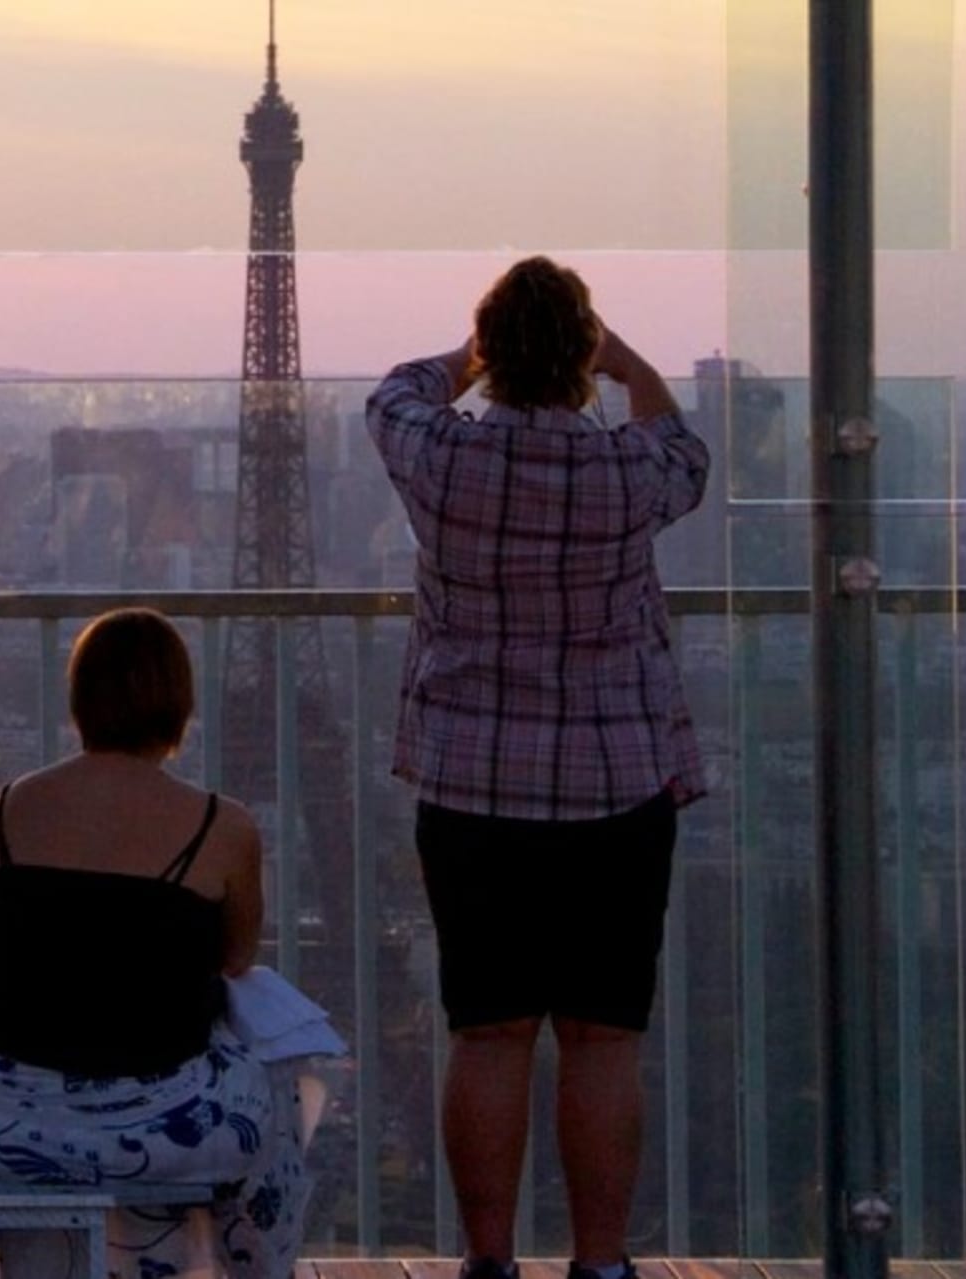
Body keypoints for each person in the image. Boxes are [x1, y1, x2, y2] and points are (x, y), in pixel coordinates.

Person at [365, 255, 710, 1279]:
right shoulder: (627, 471)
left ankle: (487, 1258)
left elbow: (396, 391)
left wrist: (471, 354)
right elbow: (679, 436)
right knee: (603, 1037)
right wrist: (619, 355)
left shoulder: (441, 457)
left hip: (472, 784)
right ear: (579, 359)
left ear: (494, 355)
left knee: (490, 1030)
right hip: (617, 780)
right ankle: (601, 1264)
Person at [0, 608, 309, 1279]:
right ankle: (252, 1266)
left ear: (81, 697)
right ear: (177, 699)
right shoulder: (221, 824)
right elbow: (237, 958)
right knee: (275, 1091)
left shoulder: (15, 805)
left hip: (7, 1119)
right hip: (153, 1127)